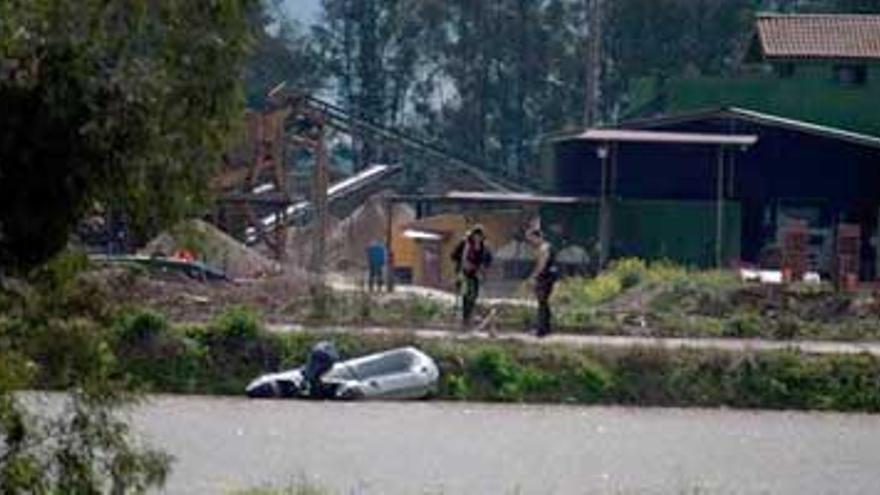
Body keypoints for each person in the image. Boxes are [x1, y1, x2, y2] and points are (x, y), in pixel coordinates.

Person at [451, 225, 493, 328]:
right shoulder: (465, 244)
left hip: (476, 274)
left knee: (474, 296)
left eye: (480, 236)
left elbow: (488, 260)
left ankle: (469, 317)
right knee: (466, 295)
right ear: (473, 235)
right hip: (464, 273)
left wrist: (483, 269)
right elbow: (454, 256)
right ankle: (465, 320)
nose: (477, 238)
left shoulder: (484, 246)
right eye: (476, 235)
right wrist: (464, 264)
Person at [526, 229, 559, 337]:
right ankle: (546, 328)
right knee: (544, 303)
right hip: (549, 277)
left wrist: (533, 277)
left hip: (545, 278)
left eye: (531, 239)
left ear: (537, 237)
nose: (530, 242)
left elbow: (542, 264)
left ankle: (541, 330)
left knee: (542, 303)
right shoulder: (546, 247)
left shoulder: (544, 248)